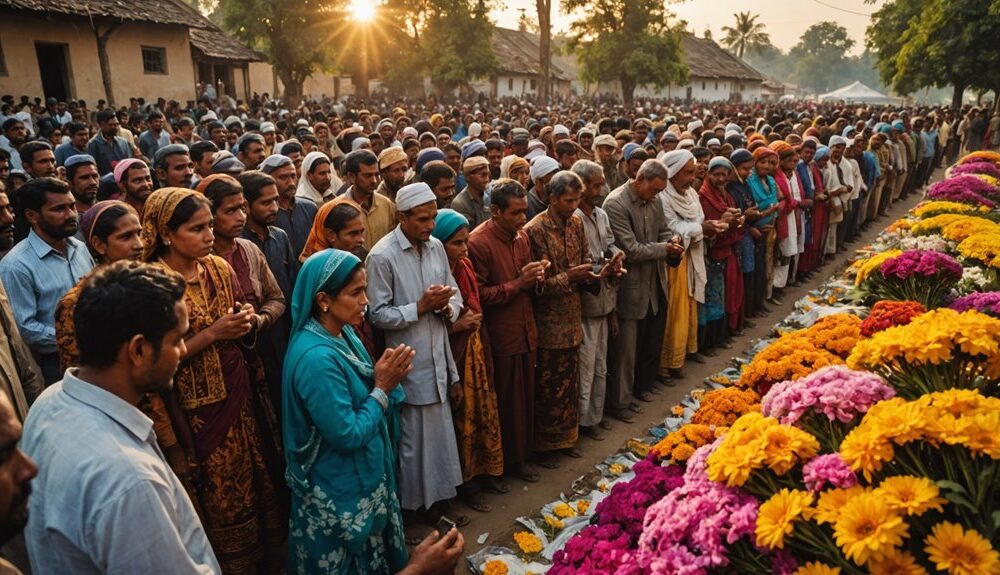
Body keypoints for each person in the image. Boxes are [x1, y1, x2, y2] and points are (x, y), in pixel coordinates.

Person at [22, 261, 220, 573]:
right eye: (177, 339)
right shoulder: (129, 482)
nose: (183, 351)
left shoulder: (50, 403)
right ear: (138, 350)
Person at [283, 248, 464, 574]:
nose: (366, 300)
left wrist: (387, 380)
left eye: (365, 289)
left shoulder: (344, 334)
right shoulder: (316, 359)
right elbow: (347, 434)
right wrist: (383, 387)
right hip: (338, 493)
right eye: (355, 293)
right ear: (323, 299)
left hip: (363, 479)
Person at [140, 188, 286, 573]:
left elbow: (242, 320)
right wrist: (212, 334)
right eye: (197, 229)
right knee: (217, 492)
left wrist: (245, 320)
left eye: (209, 226)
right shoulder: (153, 282)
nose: (209, 236)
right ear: (166, 233)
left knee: (257, 477)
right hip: (190, 408)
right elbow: (154, 362)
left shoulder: (218, 267)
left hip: (239, 393)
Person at [366, 182, 466, 526]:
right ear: (402, 217)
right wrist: (419, 307)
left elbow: (454, 296)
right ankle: (410, 511)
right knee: (411, 443)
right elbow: (377, 314)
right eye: (422, 219)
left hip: (438, 353)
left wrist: (446, 310)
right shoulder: (381, 256)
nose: (429, 225)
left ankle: (438, 502)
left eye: (433, 218)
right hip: (407, 361)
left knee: (439, 438)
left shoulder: (436, 246)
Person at [466, 179, 544, 483]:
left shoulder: (521, 237)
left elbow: (525, 278)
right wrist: (518, 284)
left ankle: (522, 457)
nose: (523, 218)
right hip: (502, 336)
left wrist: (536, 276)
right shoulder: (478, 243)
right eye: (516, 213)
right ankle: (506, 466)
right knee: (506, 403)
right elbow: (480, 295)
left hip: (525, 330)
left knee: (525, 398)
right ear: (495, 211)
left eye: (525, 211)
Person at [524, 171, 601, 466]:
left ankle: (568, 437)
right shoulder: (535, 230)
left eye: (577, 199)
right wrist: (569, 276)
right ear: (552, 198)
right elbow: (536, 285)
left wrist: (598, 274)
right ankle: (545, 446)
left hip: (573, 316)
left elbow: (584, 260)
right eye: (568, 200)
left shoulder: (577, 222)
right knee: (548, 384)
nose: (573, 205)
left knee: (570, 382)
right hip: (547, 322)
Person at [432, 209, 506, 512]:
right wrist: (455, 327)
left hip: (475, 348)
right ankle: (465, 484)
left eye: (465, 242)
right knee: (460, 420)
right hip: (453, 354)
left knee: (482, 413)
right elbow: (431, 323)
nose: (464, 250)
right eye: (456, 244)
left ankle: (485, 473)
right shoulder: (435, 272)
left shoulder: (463, 265)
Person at [199, 175, 288, 420]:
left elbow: (276, 298)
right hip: (217, 366)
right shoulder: (197, 260)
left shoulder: (249, 250)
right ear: (210, 214)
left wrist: (259, 320)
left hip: (262, 353)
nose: (240, 217)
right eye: (230, 210)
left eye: (242, 208)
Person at [603, 159, 681, 421]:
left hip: (653, 284)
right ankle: (620, 404)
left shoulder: (654, 200)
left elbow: (663, 230)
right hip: (630, 288)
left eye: (659, 191)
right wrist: (664, 249)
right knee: (625, 351)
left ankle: (639, 390)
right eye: (654, 190)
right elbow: (630, 250)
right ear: (640, 180)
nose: (656, 195)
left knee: (647, 342)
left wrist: (673, 240)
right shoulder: (616, 203)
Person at [0, 177, 93, 384]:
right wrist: (76, 339)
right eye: (59, 209)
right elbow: (26, 328)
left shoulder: (79, 247)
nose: (70, 215)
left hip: (98, 355)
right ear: (32, 216)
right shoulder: (16, 265)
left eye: (71, 206)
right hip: (57, 364)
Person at [659, 150, 730, 379]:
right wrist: (702, 229)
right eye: (687, 173)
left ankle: (686, 354)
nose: (692, 177)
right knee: (675, 312)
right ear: (672, 173)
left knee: (690, 307)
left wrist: (709, 226)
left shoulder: (690, 193)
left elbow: (697, 219)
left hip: (694, 254)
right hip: (674, 260)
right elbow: (671, 227)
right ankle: (668, 363)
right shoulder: (663, 196)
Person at [55, 200, 143, 370]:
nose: (139, 245)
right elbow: (76, 368)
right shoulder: (78, 301)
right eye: (126, 237)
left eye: (139, 233)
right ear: (99, 245)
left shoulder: (148, 283)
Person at [571, 160, 624, 439]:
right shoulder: (574, 219)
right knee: (586, 366)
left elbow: (610, 243)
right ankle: (582, 423)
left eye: (601, 183)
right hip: (587, 303)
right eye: (595, 184)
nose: (601, 188)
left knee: (600, 364)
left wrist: (616, 256)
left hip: (605, 298)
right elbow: (578, 263)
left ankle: (595, 416)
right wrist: (597, 268)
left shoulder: (601, 215)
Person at [698, 157, 744, 351]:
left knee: (722, 297)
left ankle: (720, 337)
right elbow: (707, 225)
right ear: (708, 175)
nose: (720, 178)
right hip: (711, 254)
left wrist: (737, 219)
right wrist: (722, 220)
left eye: (724, 174)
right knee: (710, 301)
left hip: (727, 252)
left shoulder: (726, 194)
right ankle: (707, 343)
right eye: (716, 174)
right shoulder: (703, 196)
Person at [238, 170, 298, 299]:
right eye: (266, 203)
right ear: (246, 206)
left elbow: (294, 282)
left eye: (275, 200)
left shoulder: (280, 236)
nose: (274, 208)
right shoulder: (238, 243)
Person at [332, 150, 397, 249]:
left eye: (376, 175)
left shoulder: (387, 204)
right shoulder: (338, 208)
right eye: (367, 175)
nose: (374, 180)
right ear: (351, 177)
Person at [261, 154, 319, 258]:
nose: (291, 183)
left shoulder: (309, 207)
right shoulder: (264, 212)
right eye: (283, 177)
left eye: (293, 176)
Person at [86, 109, 132, 176]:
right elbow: (92, 168)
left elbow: (129, 162)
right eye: (111, 125)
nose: (115, 127)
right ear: (102, 125)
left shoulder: (123, 142)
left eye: (116, 124)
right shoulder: (93, 144)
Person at [451, 156, 491, 230]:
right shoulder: (460, 204)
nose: (487, 179)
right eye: (482, 175)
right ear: (468, 177)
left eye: (488, 175)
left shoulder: (489, 196)